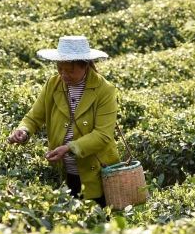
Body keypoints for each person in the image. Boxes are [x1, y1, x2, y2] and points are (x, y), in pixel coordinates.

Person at [8, 36, 119, 207]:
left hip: (96, 172)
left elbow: (103, 135)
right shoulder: (54, 84)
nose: (64, 75)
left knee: (97, 222)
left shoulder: (104, 90)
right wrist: (24, 130)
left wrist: (69, 148)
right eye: (60, 69)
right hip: (64, 172)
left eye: (70, 71)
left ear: (85, 65)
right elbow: (34, 116)